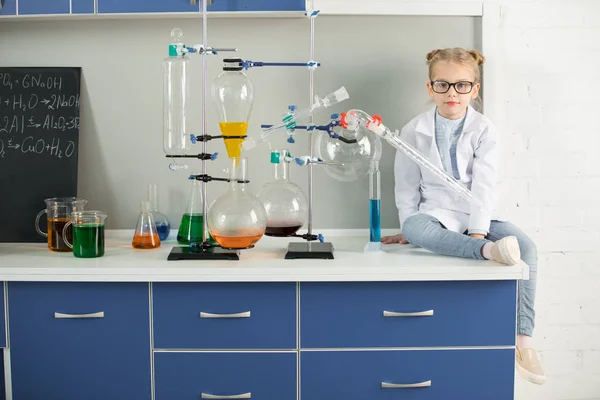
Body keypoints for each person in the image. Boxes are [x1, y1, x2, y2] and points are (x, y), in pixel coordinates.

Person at [381, 47, 545, 385]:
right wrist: (408, 227)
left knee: (526, 247)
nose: (452, 93)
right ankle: (488, 252)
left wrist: (478, 230)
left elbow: (484, 187)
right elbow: (406, 185)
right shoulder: (414, 130)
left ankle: (524, 340)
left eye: (461, 85)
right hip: (435, 212)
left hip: (477, 210)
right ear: (430, 88)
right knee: (415, 227)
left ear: (475, 89)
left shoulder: (484, 130)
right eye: (442, 84)